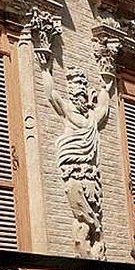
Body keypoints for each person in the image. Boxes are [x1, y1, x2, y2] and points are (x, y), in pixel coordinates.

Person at [49, 68, 112, 259]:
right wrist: (44, 70)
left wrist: (105, 88)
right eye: (77, 84)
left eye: (83, 84)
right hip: (73, 173)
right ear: (69, 88)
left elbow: (102, 108)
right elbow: (52, 95)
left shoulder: (91, 118)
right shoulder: (68, 110)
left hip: (92, 177)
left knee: (92, 219)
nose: (81, 88)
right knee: (83, 220)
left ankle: (96, 256)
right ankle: (88, 258)